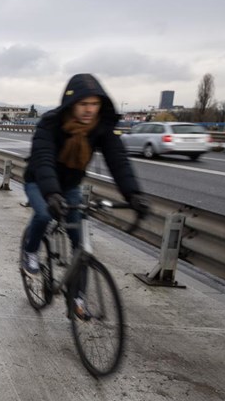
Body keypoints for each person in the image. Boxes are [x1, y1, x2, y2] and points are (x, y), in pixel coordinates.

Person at [21, 74, 149, 310]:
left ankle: (78, 298)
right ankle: (30, 252)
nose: (90, 110)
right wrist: (51, 194)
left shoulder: (100, 128)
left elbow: (118, 161)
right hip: (40, 182)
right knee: (42, 215)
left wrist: (134, 195)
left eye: (94, 104)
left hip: (69, 186)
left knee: (81, 243)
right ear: (71, 104)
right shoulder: (51, 123)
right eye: (83, 104)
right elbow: (43, 159)